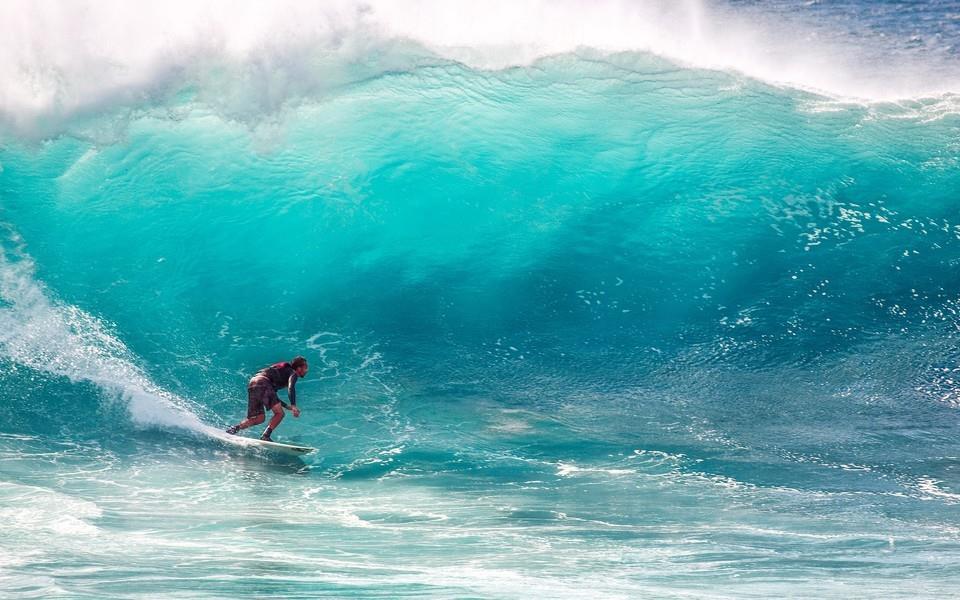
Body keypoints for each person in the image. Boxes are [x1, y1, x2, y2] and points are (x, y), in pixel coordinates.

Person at [226, 356, 308, 441]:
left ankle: (234, 429)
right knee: (280, 414)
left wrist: (286, 406)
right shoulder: (293, 373)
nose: (307, 370)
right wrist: (293, 405)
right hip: (263, 382)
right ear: (299, 368)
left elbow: (271, 394)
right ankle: (266, 436)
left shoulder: (283, 372)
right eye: (305, 368)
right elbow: (291, 388)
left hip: (253, 382)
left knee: (259, 418)